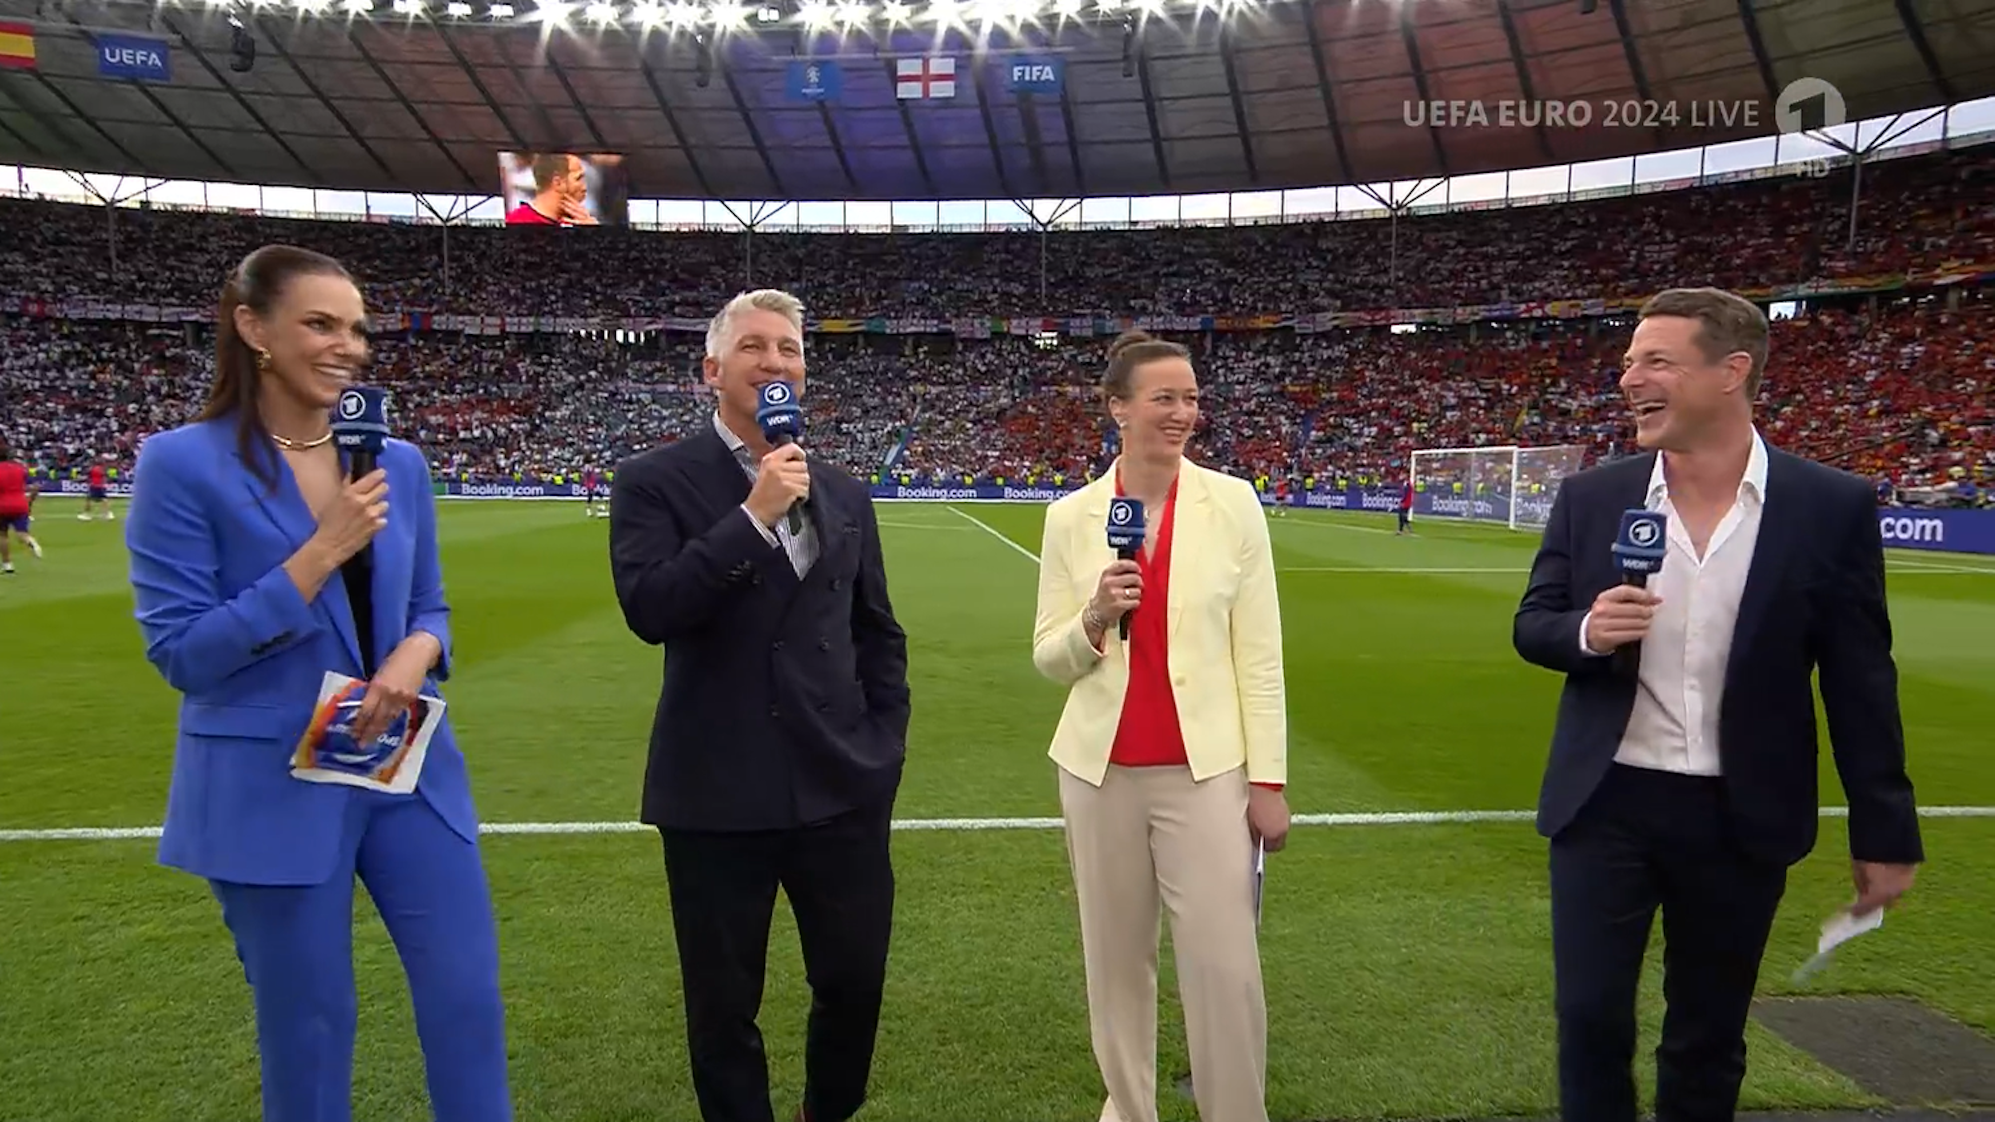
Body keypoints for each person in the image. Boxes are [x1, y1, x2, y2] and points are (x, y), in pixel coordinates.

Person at [1511, 287, 1923, 1122]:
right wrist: (1587, 630)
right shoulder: (1593, 496)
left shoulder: (1827, 505)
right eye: (1629, 361)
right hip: (1606, 802)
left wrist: (1884, 833)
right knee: (1589, 1021)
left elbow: (1858, 679)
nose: (1628, 378)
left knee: (1706, 1035)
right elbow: (1534, 622)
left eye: (1655, 361)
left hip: (1742, 813)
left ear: (1731, 372)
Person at [123, 244, 512, 1122]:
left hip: (404, 767)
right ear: (253, 328)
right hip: (269, 781)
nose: (349, 347)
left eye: (358, 329)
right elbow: (183, 653)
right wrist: (320, 551)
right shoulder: (180, 463)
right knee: (309, 1025)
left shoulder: (395, 463)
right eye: (321, 324)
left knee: (465, 999)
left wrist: (418, 653)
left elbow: (430, 606)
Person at [607, 288, 910, 1122]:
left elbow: (876, 631)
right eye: (753, 347)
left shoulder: (844, 491)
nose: (774, 361)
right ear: (712, 370)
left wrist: (885, 744)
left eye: (788, 349)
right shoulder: (652, 481)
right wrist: (752, 515)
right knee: (722, 1004)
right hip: (716, 786)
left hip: (841, 783)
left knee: (853, 981)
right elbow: (651, 609)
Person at [1031, 330, 1290, 1122]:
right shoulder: (1070, 517)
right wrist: (1093, 616)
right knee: (1115, 963)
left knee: (1223, 966)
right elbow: (1048, 657)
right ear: (1118, 408)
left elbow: (1259, 653)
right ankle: (1129, 1108)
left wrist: (1267, 781)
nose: (1182, 413)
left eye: (1191, 398)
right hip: (1099, 772)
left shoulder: (1232, 503)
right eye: (1163, 398)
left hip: (1205, 774)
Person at [0, 437, 43, 573]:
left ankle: (7, 564)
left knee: (2, 535)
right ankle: (30, 541)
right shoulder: (20, 469)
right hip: (20, 503)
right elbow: (35, 486)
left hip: (2, 505)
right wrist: (30, 501)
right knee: (21, 532)